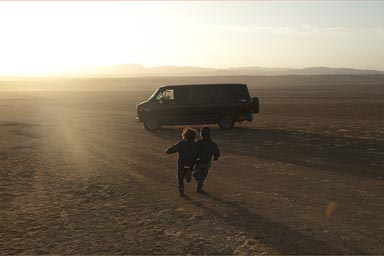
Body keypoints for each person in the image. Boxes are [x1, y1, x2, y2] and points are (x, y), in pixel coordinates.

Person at [166, 128, 199, 196]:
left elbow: (169, 151)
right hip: (191, 163)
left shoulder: (181, 143)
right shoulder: (196, 145)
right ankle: (188, 171)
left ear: (184, 135)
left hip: (182, 163)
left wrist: (168, 150)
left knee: (180, 177)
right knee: (189, 167)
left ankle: (181, 189)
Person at [194, 126, 220, 193]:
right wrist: (215, 157)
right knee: (204, 175)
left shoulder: (198, 142)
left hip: (199, 161)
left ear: (201, 134)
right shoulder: (212, 144)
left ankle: (197, 171)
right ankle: (199, 187)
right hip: (207, 161)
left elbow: (193, 150)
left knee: (199, 168)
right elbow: (217, 152)